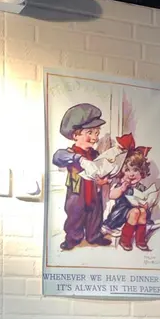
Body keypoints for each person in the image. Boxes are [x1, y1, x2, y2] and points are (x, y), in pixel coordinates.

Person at [52, 103, 111, 250]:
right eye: (90, 132)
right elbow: (57, 157)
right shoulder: (70, 153)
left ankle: (94, 236)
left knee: (95, 214)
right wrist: (79, 159)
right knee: (75, 216)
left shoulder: (95, 154)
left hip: (94, 192)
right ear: (75, 135)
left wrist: (103, 180)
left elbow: (100, 170)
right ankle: (73, 238)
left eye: (97, 132)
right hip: (77, 193)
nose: (94, 137)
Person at [104, 136, 152, 252]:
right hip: (121, 213)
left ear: (141, 172)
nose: (131, 174)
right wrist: (122, 189)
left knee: (142, 211)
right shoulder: (121, 184)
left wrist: (146, 204)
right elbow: (111, 195)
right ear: (122, 171)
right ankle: (125, 240)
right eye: (127, 170)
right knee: (135, 211)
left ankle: (140, 239)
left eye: (135, 170)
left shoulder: (140, 187)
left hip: (137, 212)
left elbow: (146, 199)